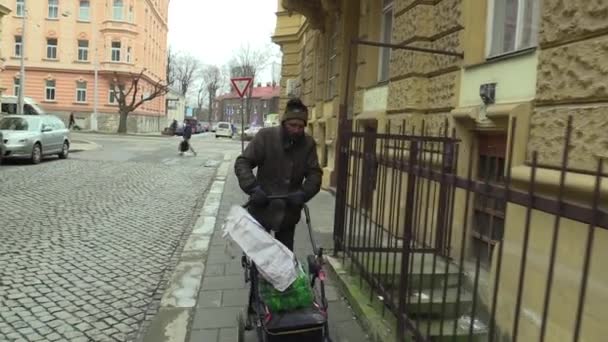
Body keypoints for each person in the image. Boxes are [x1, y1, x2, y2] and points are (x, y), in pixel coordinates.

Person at [235, 98, 322, 251]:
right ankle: (255, 273)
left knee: (284, 260)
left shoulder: (308, 144)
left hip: (289, 211)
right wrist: (253, 188)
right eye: (292, 125)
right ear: (284, 123)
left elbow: (315, 174)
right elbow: (243, 162)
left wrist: (303, 193)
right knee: (259, 255)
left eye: (300, 126)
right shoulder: (266, 137)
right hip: (262, 206)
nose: (296, 130)